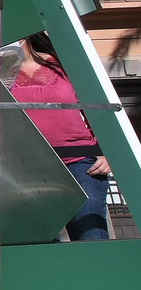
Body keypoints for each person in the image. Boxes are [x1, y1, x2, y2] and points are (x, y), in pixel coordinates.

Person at [11, 32, 112, 242]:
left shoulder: (65, 63)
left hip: (82, 165)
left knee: (91, 240)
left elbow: (99, 106)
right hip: (27, 169)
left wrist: (107, 150)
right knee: (43, 247)